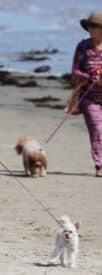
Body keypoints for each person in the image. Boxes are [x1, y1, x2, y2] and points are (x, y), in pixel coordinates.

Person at [72, 12, 102, 177]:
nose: (90, 29)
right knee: (97, 130)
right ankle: (100, 165)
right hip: (89, 97)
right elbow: (75, 70)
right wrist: (90, 78)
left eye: (94, 26)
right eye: (89, 26)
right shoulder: (83, 47)